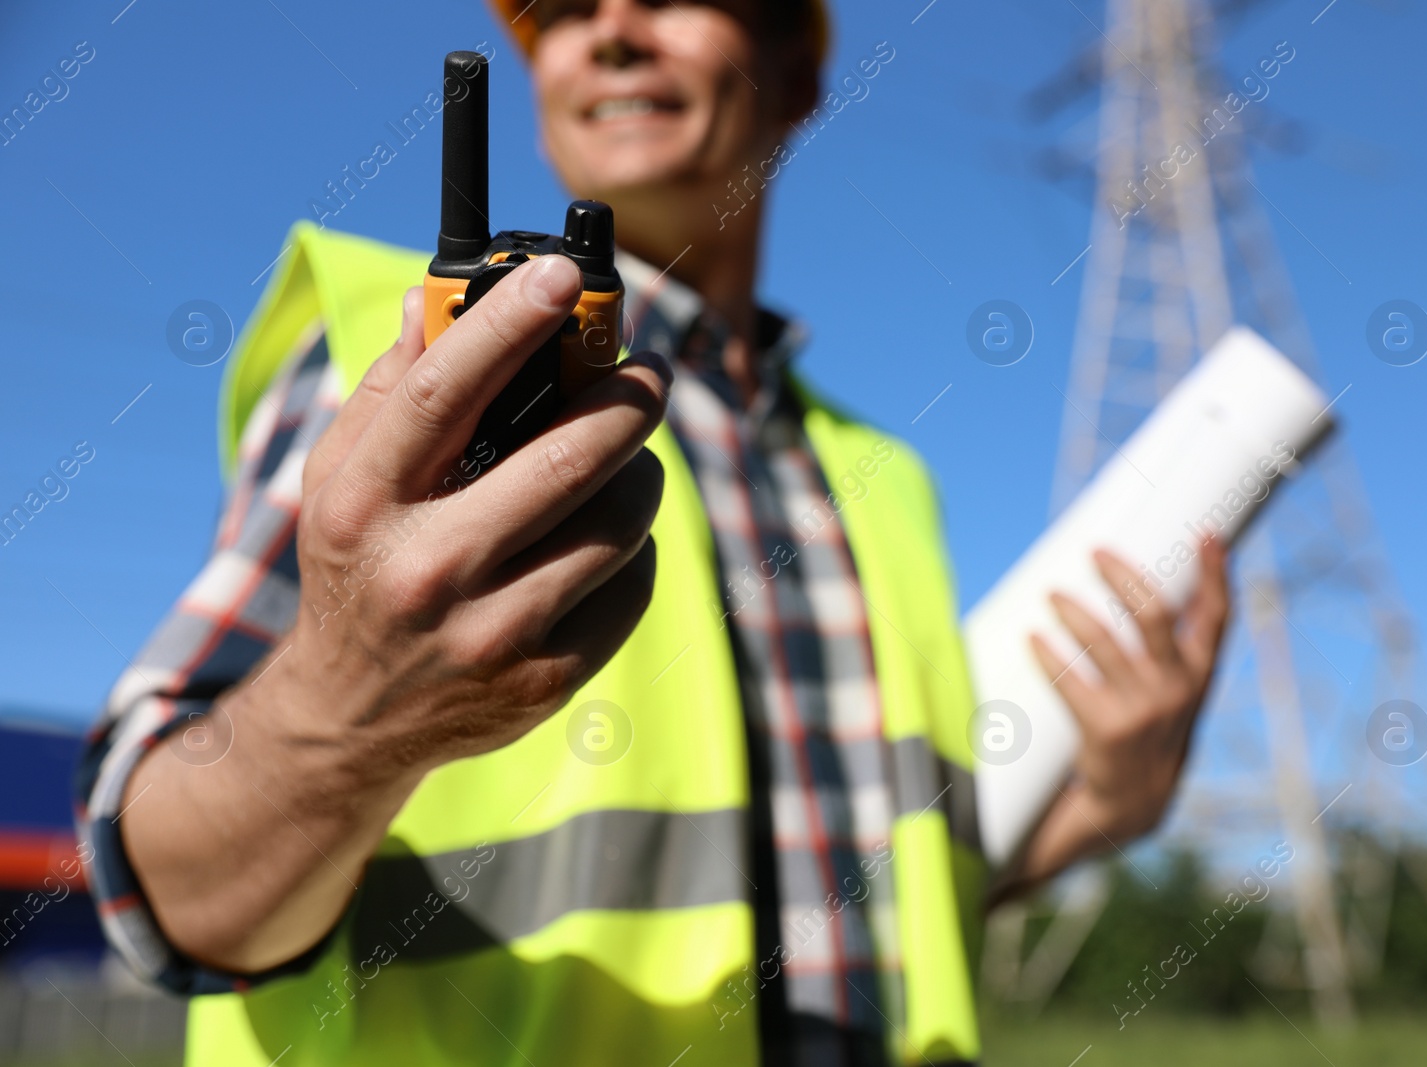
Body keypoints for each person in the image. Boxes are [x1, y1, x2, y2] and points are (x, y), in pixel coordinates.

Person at [76, 1, 1231, 1064]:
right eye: (565, 13)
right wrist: (339, 718)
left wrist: (1097, 807)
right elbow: (162, 892)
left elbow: (867, 895)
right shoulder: (403, 364)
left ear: (794, 75)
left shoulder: (887, 480)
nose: (611, 29)